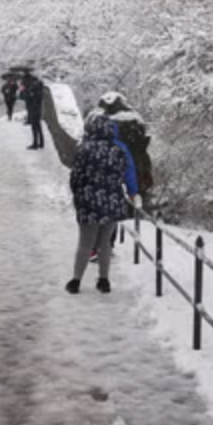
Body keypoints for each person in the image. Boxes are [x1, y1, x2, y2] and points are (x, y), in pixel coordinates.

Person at [66, 114, 139, 295]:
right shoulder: (118, 150)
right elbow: (128, 172)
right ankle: (104, 280)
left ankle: (76, 281)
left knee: (85, 242)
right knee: (105, 242)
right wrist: (132, 192)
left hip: (88, 202)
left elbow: (74, 177)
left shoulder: (84, 149)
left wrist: (78, 195)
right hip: (112, 201)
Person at [22, 73, 45, 150]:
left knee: (34, 126)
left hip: (34, 109)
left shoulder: (34, 88)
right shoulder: (39, 88)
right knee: (38, 126)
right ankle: (41, 143)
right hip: (37, 109)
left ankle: (35, 143)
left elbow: (28, 97)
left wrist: (26, 93)